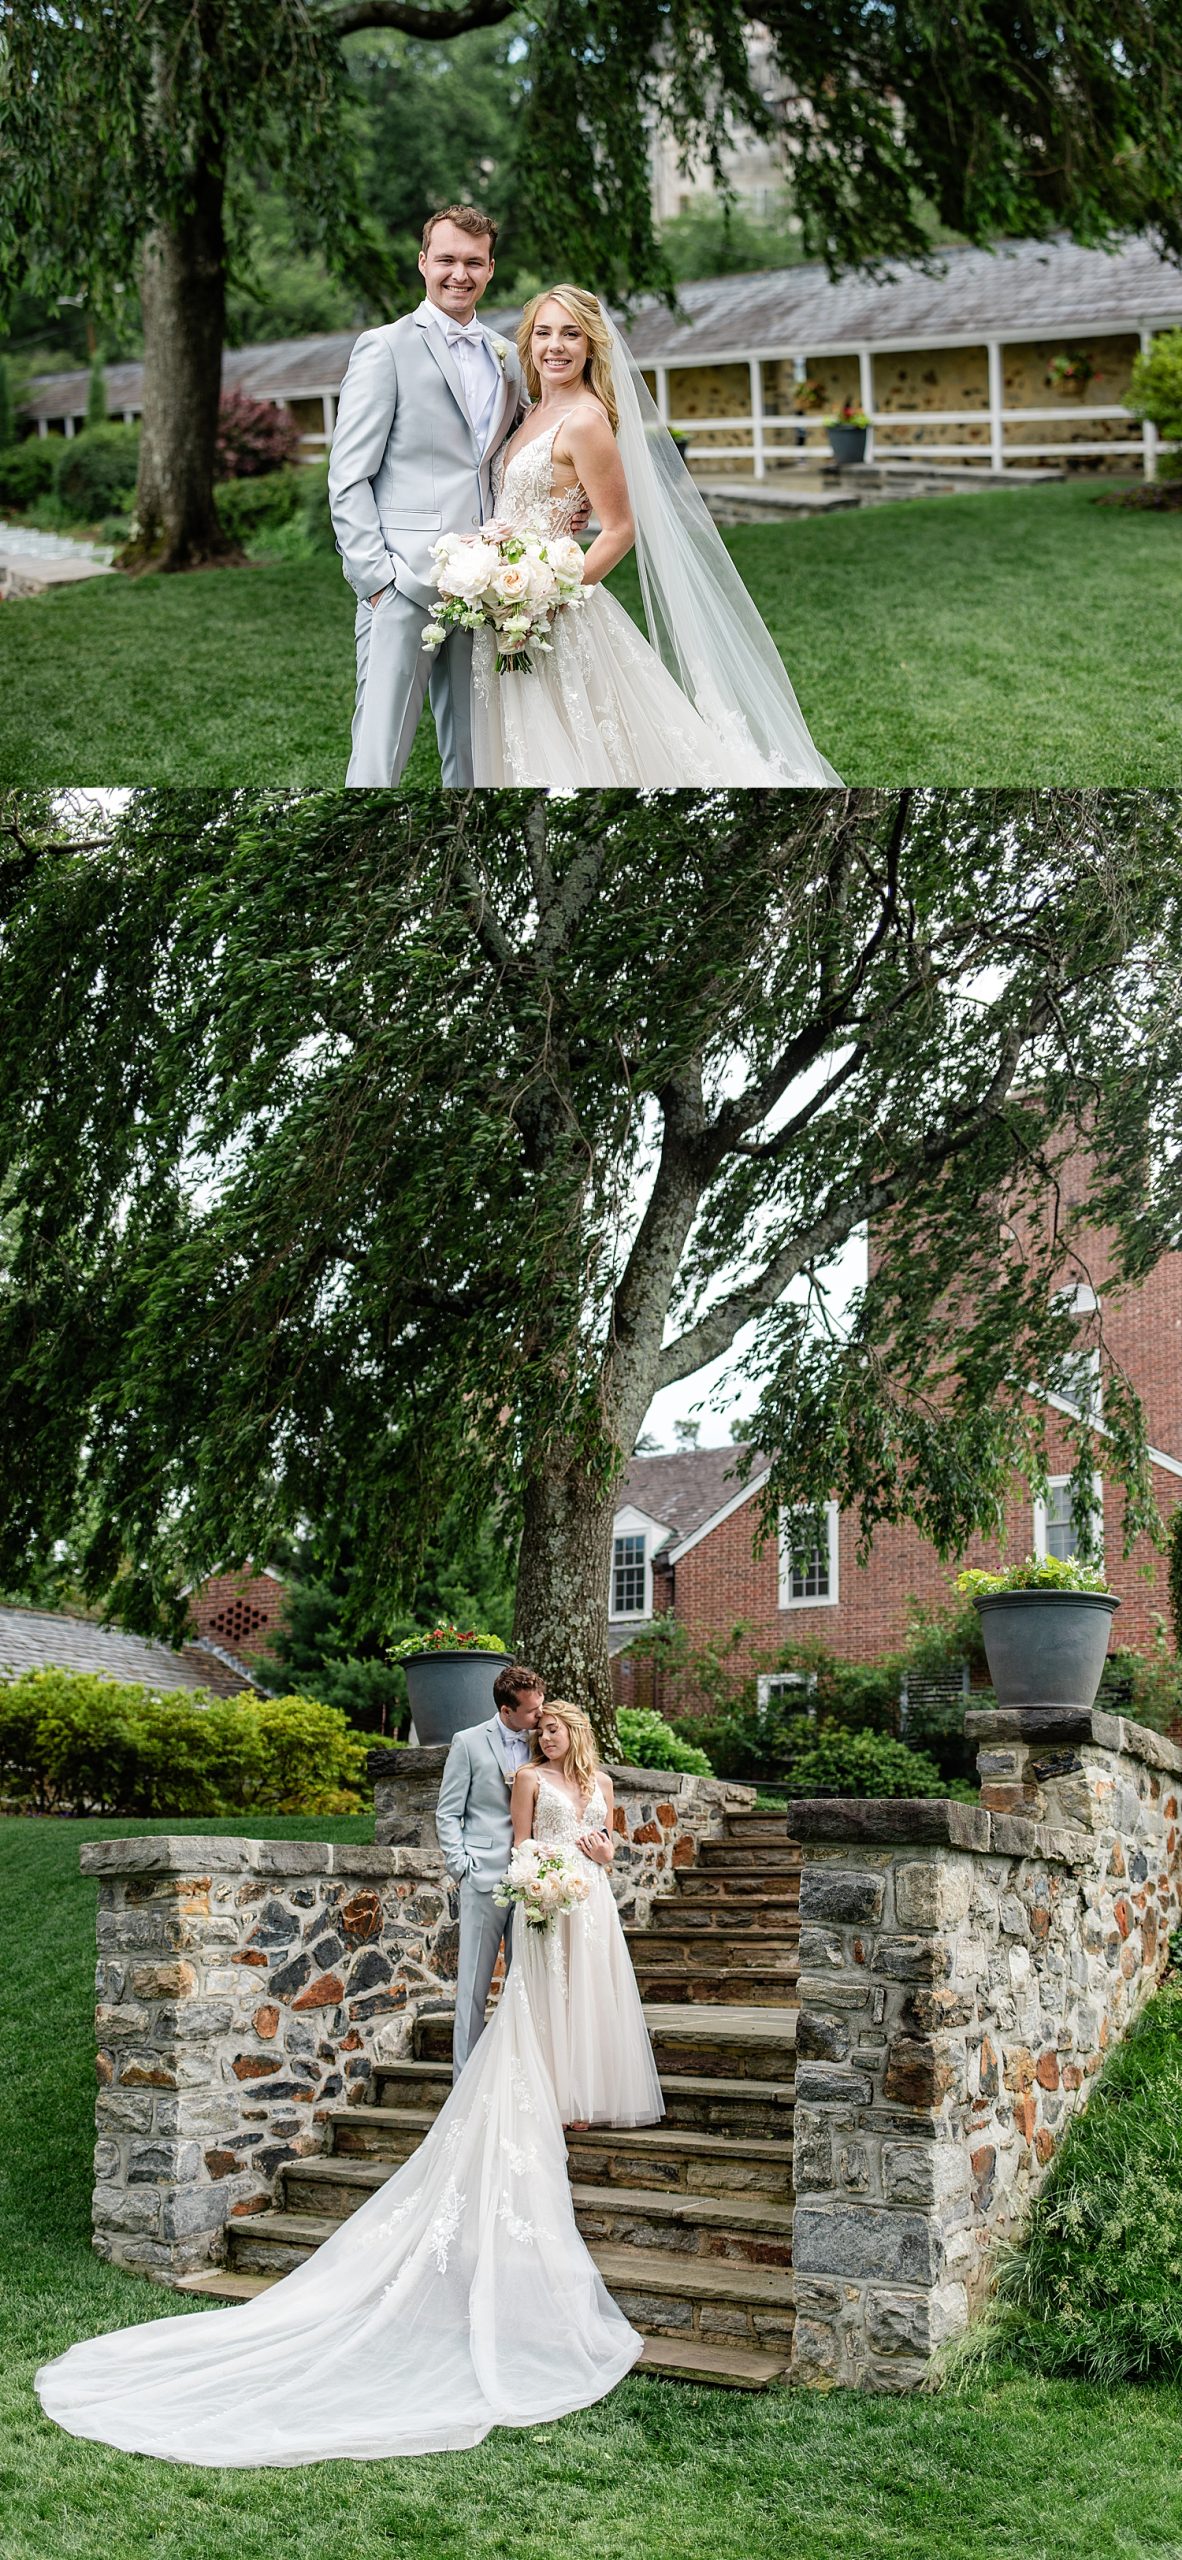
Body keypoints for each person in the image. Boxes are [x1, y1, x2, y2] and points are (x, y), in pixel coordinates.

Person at [34, 1698, 661, 2464]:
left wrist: (598, 1857)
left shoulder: (596, 1780)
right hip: (544, 1900)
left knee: (588, 2004)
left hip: (591, 1906)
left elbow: (613, 1843)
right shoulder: (526, 1776)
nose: (544, 1736)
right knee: (535, 2008)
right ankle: (544, 2093)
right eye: (541, 1727)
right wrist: (541, 1879)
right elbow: (522, 1849)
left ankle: (584, 2092)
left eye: (555, 1727)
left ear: (578, 1732)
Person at [469, 283, 840, 787]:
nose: (555, 346)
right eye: (544, 332)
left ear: (591, 346)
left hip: (553, 609)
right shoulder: (529, 414)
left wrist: (548, 599)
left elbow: (620, 530)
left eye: (571, 334)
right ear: (528, 342)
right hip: (506, 608)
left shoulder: (584, 422)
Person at [327, 204, 529, 788]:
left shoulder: (507, 356)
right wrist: (375, 580)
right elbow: (348, 475)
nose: (458, 274)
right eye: (445, 260)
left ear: (491, 268)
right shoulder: (383, 347)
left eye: (473, 262)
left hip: (486, 586)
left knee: (475, 761)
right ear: (423, 262)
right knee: (378, 761)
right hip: (402, 586)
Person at [434, 1660, 544, 2079]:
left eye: (540, 1706)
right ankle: (464, 2080)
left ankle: (518, 2077)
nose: (539, 1716)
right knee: (473, 1986)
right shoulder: (467, 1742)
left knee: (525, 1982)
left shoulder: (544, 1741)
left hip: (534, 1880)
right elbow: (448, 1812)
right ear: (505, 1711)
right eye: (532, 1710)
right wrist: (460, 1866)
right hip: (482, 1876)